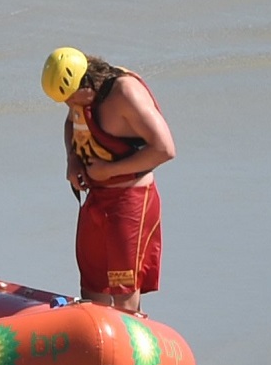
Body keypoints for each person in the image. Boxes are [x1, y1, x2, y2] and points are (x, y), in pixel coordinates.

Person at [42, 47, 176, 313]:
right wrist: (72, 159)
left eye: (71, 98)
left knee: (123, 292)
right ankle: (96, 349)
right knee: (91, 288)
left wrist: (109, 171)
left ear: (86, 83)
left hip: (130, 200)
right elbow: (73, 124)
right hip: (96, 197)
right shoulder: (82, 97)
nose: (70, 106)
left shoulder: (125, 93)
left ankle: (131, 346)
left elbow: (165, 149)